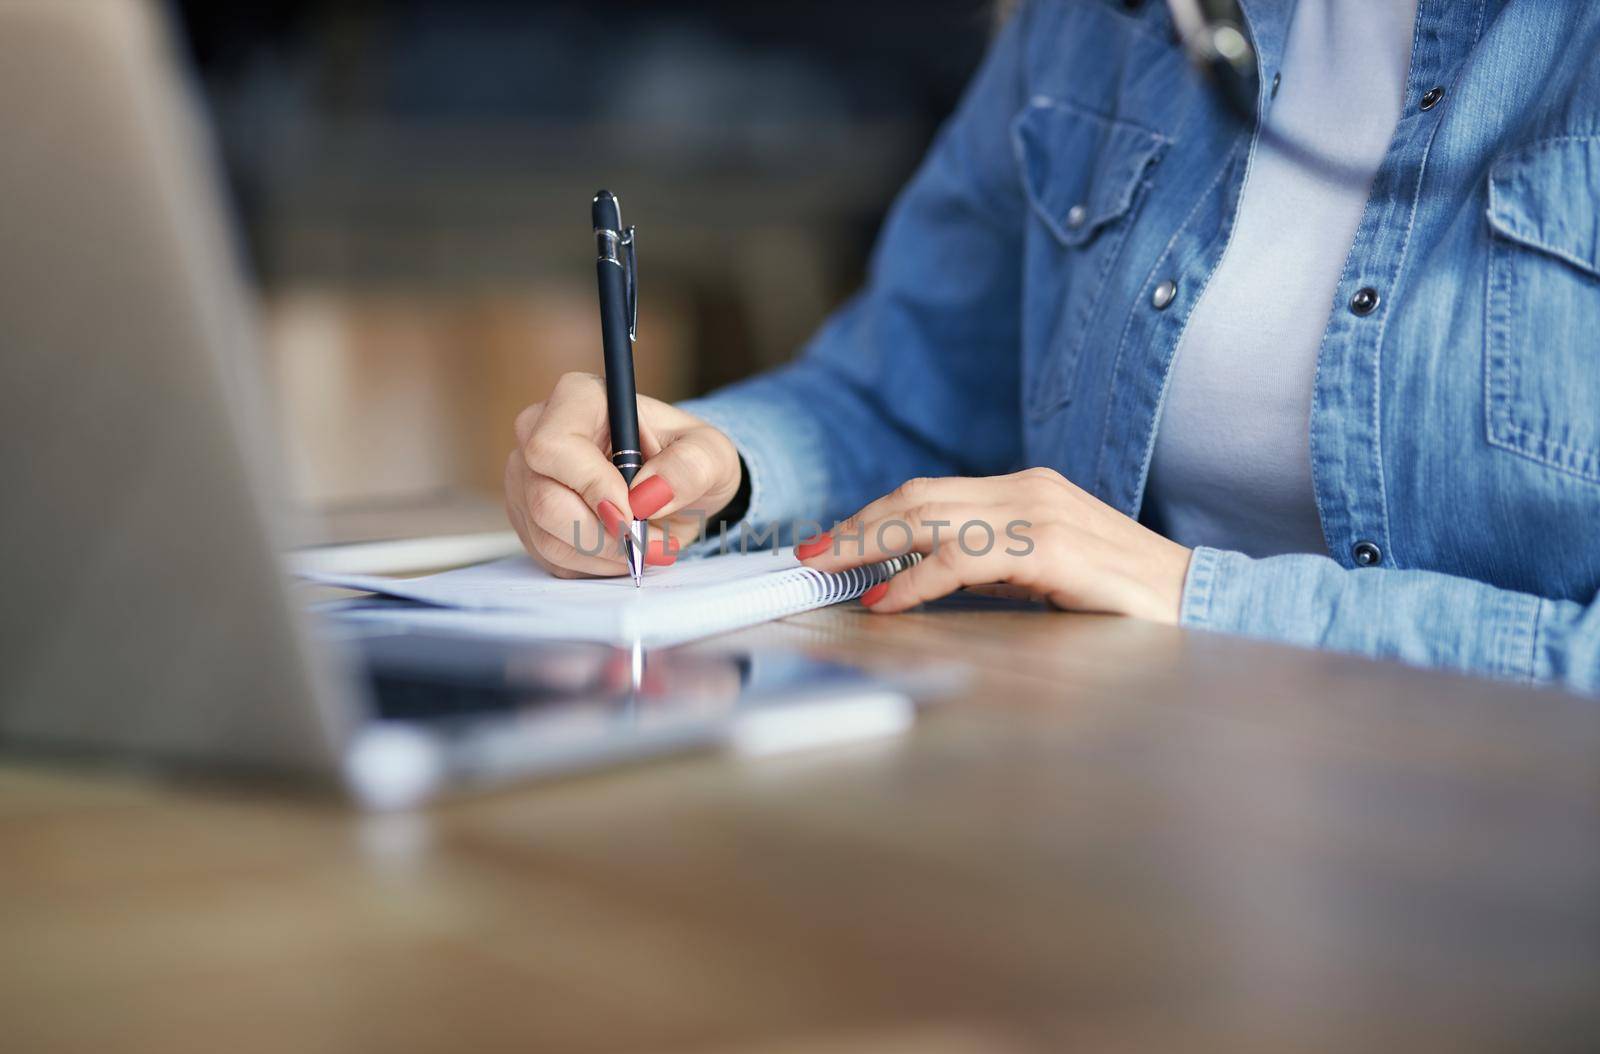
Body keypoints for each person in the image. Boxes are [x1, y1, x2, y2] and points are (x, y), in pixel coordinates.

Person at [505, 0, 1600, 694]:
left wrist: (1189, 593)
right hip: (1108, 789)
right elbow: (913, 393)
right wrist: (721, 467)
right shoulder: (1101, 23)